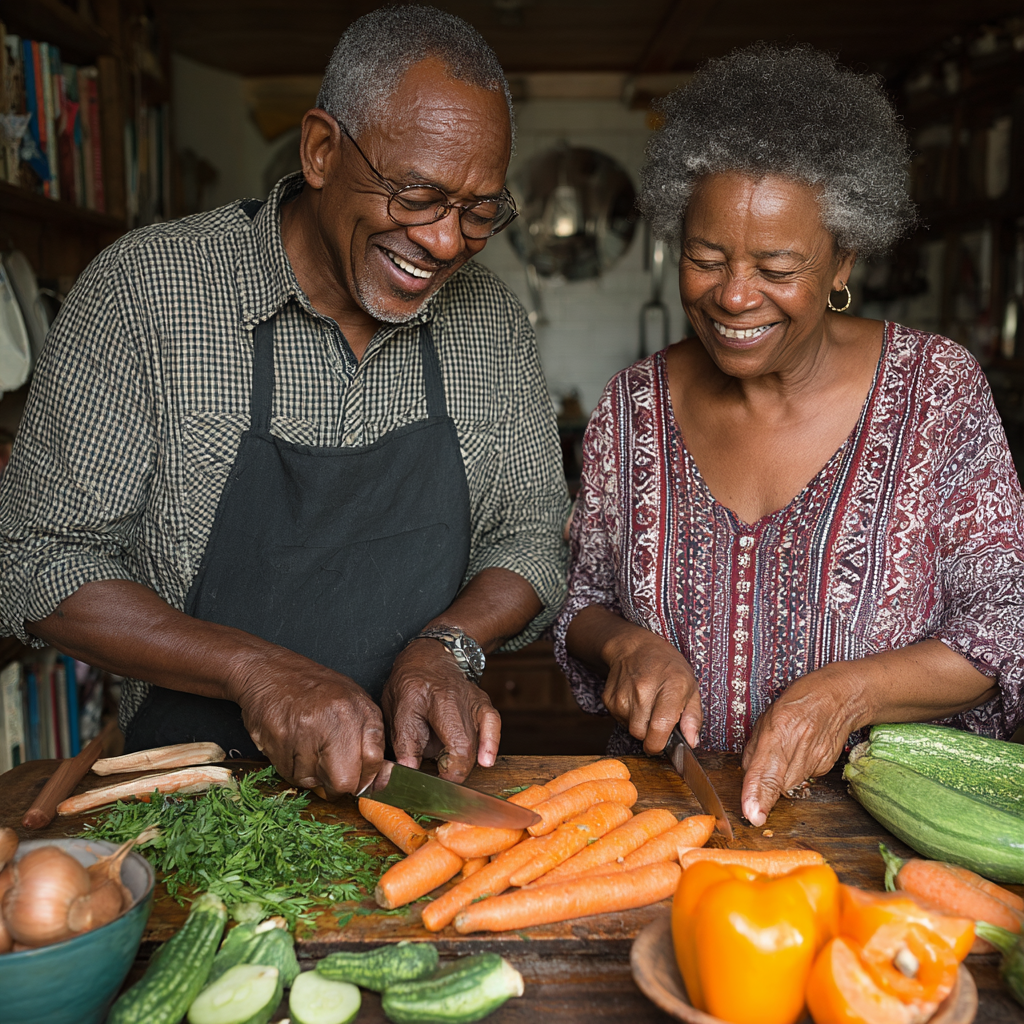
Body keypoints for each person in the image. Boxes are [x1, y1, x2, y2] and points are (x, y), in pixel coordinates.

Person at [0, 7, 569, 796]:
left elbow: (536, 534)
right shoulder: (147, 294)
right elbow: (35, 558)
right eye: (416, 196)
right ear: (321, 150)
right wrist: (253, 670)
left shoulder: (492, 322)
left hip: (416, 798)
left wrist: (447, 644)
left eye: (479, 212)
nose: (445, 243)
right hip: (198, 809)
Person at [555, 43, 1024, 827]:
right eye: (706, 259)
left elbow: (1005, 628)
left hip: (871, 835)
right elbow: (585, 602)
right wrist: (625, 647)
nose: (735, 296)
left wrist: (850, 692)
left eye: (776, 268)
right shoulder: (633, 405)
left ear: (843, 258)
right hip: (660, 825)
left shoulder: (937, 393)